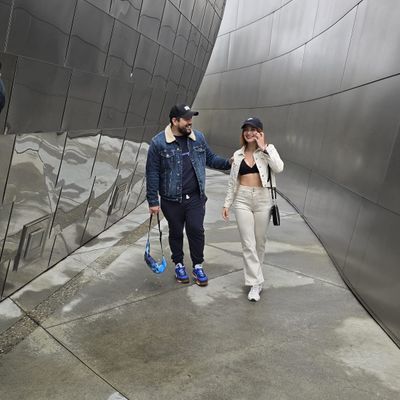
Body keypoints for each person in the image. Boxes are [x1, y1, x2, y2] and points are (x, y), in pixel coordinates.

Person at [146, 104, 231, 286]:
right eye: (186, 119)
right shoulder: (158, 143)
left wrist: (229, 163)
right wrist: (153, 200)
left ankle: (198, 265)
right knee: (176, 232)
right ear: (174, 121)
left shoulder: (198, 138)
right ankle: (178, 264)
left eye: (191, 118)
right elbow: (152, 172)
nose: (190, 121)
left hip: (195, 197)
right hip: (171, 200)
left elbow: (210, 158)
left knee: (196, 230)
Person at [222, 117, 284, 301]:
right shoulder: (237, 155)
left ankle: (257, 277)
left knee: (259, 241)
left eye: (253, 129)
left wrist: (264, 148)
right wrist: (227, 203)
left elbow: (279, 168)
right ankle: (255, 283)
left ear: (260, 132)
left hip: (263, 199)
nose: (249, 133)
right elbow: (232, 182)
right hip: (242, 199)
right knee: (248, 243)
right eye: (246, 129)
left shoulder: (268, 150)